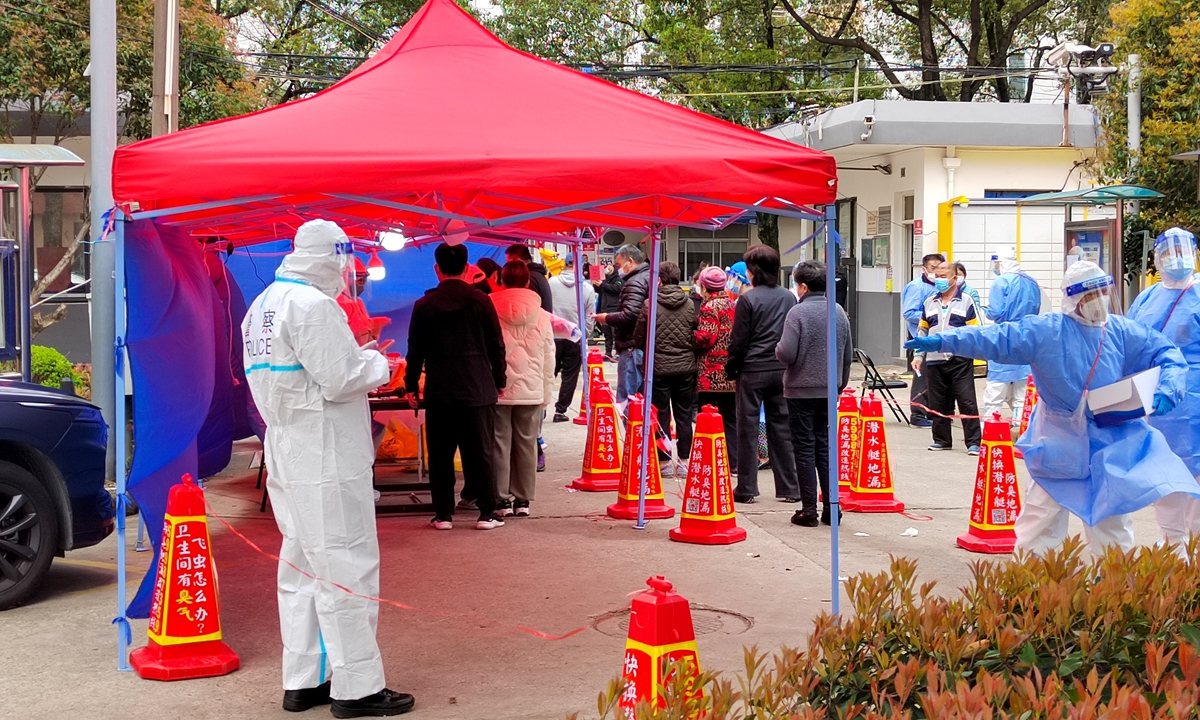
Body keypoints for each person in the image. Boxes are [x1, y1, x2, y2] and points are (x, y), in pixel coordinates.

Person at [241, 219, 414, 717]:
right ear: (334, 257)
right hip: (326, 451)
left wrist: (358, 359)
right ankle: (357, 686)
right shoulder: (313, 306)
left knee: (301, 567)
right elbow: (340, 379)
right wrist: (379, 364)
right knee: (345, 564)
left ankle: (305, 678)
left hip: (287, 444)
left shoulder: (263, 306)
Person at [908, 260, 1199, 555]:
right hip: (1058, 440)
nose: (1100, 301)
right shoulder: (1046, 331)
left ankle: (1111, 581)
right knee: (1041, 520)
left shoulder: (1121, 331)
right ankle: (1034, 578)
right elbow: (995, 338)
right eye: (1091, 295)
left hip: (1109, 440)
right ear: (1074, 299)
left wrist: (1168, 386)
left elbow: (1165, 352)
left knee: (1110, 522)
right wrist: (943, 340)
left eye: (1103, 292)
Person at [406, 243, 508, 531]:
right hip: (478, 386)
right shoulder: (481, 301)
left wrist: (410, 385)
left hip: (440, 389)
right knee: (482, 452)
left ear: (437, 269)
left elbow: (415, 350)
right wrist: (499, 380)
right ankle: (487, 513)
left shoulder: (424, 305)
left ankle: (443, 514)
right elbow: (496, 344)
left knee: (440, 454)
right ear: (467, 269)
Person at [1128, 228, 1200, 545]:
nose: (1177, 259)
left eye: (1183, 251)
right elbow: (1129, 342)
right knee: (1164, 474)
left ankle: (1194, 549)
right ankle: (1173, 545)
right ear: (1158, 259)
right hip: (1157, 402)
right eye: (1170, 252)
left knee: (1196, 478)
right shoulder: (1147, 298)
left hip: (1194, 400)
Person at [776, 260, 852, 527]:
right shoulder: (838, 311)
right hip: (829, 390)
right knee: (825, 446)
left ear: (804, 287)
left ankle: (808, 510)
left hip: (800, 390)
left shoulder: (797, 313)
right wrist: (840, 385)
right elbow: (847, 354)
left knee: (804, 447)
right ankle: (832, 508)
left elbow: (786, 353)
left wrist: (777, 348)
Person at [727, 246, 800, 503]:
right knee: (782, 428)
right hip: (781, 369)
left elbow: (739, 341)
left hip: (752, 370)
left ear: (753, 271)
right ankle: (790, 488)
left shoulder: (748, 300)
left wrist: (732, 369)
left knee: (746, 428)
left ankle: (747, 488)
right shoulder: (788, 297)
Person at [490, 261, 555, 517]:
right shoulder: (541, 314)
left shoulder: (490, 308)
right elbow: (549, 356)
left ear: (501, 280)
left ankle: (501, 499)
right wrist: (546, 393)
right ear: (528, 282)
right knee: (527, 443)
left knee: (499, 442)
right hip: (531, 388)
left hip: (499, 388)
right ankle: (523, 500)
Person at [632, 261, 698, 477]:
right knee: (684, 415)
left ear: (659, 279)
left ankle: (664, 462)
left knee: (660, 415)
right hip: (685, 368)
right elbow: (694, 331)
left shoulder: (649, 304)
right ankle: (684, 461)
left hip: (658, 368)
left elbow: (639, 337)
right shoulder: (689, 304)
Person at [913, 261, 983, 454]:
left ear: (955, 278)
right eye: (937, 276)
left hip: (960, 360)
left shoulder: (966, 301)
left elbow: (976, 330)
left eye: (943, 276)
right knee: (938, 402)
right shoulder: (929, 302)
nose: (939, 280)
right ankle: (942, 440)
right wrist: (918, 355)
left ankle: (974, 442)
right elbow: (923, 330)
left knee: (967, 401)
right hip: (934, 360)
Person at [982, 247, 1042, 425]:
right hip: (1028, 337)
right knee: (1022, 392)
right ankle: (1021, 427)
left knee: (995, 391)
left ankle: (991, 428)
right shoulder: (1031, 281)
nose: (995, 267)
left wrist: (983, 310)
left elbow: (996, 311)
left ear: (1002, 262)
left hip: (1004, 337)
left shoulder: (1001, 281)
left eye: (996, 263)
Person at [694, 266, 738, 475]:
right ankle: (734, 462)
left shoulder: (710, 307)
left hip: (711, 373)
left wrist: (688, 336)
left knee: (708, 416)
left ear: (704, 286)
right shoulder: (731, 303)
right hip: (730, 371)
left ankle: (710, 460)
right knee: (731, 418)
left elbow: (706, 337)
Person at [595, 245, 651, 406]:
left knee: (628, 399)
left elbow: (630, 314)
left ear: (630, 261)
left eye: (619, 265)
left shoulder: (635, 282)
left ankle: (630, 423)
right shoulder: (649, 277)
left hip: (632, 345)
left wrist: (607, 318)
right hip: (643, 345)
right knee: (642, 399)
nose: (618, 268)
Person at [548, 255, 596, 422]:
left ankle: (542, 408)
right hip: (575, 336)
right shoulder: (587, 288)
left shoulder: (551, 282)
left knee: (549, 372)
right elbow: (590, 316)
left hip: (553, 335)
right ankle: (560, 411)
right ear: (581, 266)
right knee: (570, 375)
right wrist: (585, 334)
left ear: (565, 264)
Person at [901, 254, 945, 428]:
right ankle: (918, 414)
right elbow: (909, 313)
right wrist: (933, 316)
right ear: (924, 268)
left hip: (939, 340)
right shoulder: (916, 287)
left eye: (940, 268)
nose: (937, 272)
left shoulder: (941, 287)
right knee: (922, 378)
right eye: (933, 268)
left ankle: (931, 411)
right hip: (922, 338)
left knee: (935, 378)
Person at [337, 256, 391, 347]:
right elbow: (343, 335)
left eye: (364, 279)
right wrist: (371, 325)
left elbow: (366, 338)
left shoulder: (359, 302)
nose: (363, 283)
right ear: (346, 278)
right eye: (359, 280)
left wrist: (374, 331)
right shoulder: (339, 302)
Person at [506, 243, 554, 312]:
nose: (508, 267)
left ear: (518, 261)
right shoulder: (537, 274)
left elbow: (527, 309)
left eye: (509, 263)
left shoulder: (530, 277)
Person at [597, 263, 623, 361]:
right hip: (604, 308)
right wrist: (597, 284)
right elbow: (599, 291)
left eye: (609, 266)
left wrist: (602, 285)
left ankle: (618, 352)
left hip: (614, 309)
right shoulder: (604, 280)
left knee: (615, 333)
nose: (607, 268)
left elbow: (616, 288)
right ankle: (608, 352)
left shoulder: (618, 280)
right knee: (607, 333)